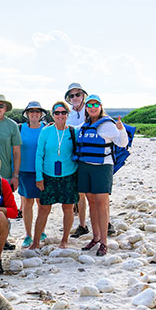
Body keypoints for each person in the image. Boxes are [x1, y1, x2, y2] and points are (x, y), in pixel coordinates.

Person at [74, 94, 128, 256]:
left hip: (102, 167)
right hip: (85, 167)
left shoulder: (108, 124)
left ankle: (104, 241)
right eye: (89, 105)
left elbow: (122, 143)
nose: (92, 107)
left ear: (100, 106)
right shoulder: (85, 125)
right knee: (91, 203)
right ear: (86, 108)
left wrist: (121, 129)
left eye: (95, 104)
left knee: (102, 204)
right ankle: (96, 237)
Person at [31, 102, 79, 249]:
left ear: (67, 114)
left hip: (69, 175)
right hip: (48, 175)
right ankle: (35, 242)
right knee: (44, 209)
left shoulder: (73, 132)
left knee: (68, 208)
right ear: (52, 114)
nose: (60, 115)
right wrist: (39, 177)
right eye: (57, 113)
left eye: (63, 112)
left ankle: (64, 240)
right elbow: (39, 154)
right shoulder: (46, 131)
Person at [18, 101, 47, 248]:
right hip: (25, 171)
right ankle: (28, 234)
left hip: (42, 171)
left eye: (37, 111)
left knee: (42, 203)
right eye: (31, 111)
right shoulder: (20, 128)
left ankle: (41, 231)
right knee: (27, 203)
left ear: (41, 114)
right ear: (27, 114)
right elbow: (14, 150)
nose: (34, 114)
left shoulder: (47, 128)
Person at [64, 83, 91, 238]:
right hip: (74, 156)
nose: (74, 98)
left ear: (83, 96)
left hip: (88, 155)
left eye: (77, 95)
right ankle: (82, 225)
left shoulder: (91, 109)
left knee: (95, 194)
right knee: (80, 193)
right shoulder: (69, 114)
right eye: (71, 95)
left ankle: (104, 222)